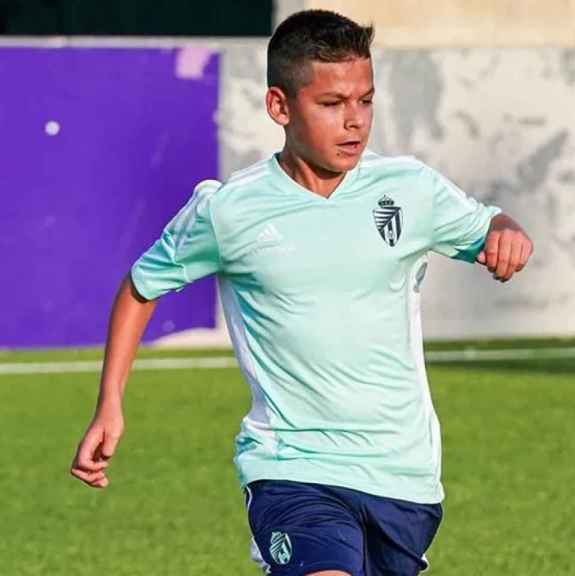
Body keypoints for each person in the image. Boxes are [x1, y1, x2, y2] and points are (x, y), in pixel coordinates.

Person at [69, 9, 533, 576]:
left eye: (364, 100)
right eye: (332, 105)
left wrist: (507, 234)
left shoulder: (410, 189)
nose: (354, 122)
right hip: (292, 466)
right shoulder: (228, 211)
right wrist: (109, 403)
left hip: (402, 473)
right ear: (279, 107)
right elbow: (142, 287)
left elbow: (490, 227)